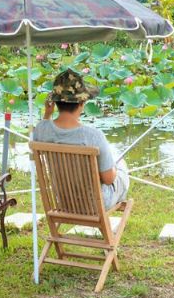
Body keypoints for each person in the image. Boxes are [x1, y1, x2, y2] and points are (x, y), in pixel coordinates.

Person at [33, 68, 129, 210]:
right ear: (82, 102)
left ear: (55, 103)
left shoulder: (41, 130)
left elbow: (43, 127)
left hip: (65, 202)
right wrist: (114, 168)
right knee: (121, 167)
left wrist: (47, 114)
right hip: (95, 204)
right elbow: (108, 179)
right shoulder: (94, 136)